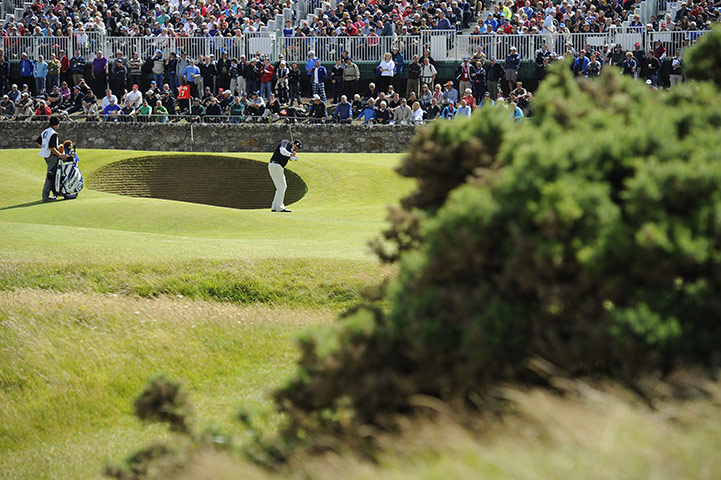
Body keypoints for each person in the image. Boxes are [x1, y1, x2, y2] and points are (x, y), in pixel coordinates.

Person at [36, 116, 68, 202]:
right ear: (57, 124)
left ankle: (51, 194)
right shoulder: (53, 133)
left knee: (52, 175)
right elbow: (51, 147)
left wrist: (43, 148)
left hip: (46, 155)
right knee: (50, 176)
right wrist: (60, 155)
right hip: (51, 156)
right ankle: (46, 197)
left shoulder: (45, 131)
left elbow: (39, 142)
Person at [268, 139, 302, 212]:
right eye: (296, 147)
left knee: (280, 187)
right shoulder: (286, 142)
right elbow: (282, 151)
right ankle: (279, 207)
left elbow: (291, 158)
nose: (296, 149)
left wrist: (294, 156)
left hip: (275, 166)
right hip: (276, 165)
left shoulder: (290, 150)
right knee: (282, 186)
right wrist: (290, 154)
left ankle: (274, 206)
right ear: (294, 144)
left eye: (297, 149)